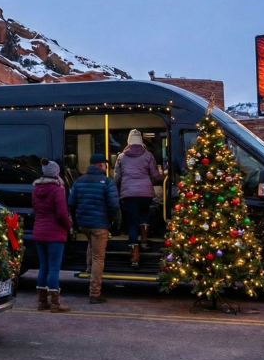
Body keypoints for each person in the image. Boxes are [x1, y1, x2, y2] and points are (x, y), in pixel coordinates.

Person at [68, 153, 121, 304]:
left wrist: (77, 221)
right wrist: (116, 222)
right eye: (104, 164)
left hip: (84, 223)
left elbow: (71, 203)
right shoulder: (107, 182)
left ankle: (88, 269)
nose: (105, 166)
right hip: (99, 224)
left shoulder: (79, 180)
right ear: (100, 165)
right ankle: (95, 293)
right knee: (99, 257)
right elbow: (114, 206)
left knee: (91, 242)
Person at [114, 129, 164, 268]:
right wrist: (166, 176)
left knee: (132, 223)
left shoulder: (121, 157)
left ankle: (135, 257)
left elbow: (117, 177)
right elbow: (155, 175)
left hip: (128, 193)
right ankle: (144, 241)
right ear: (141, 141)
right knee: (144, 215)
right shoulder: (148, 155)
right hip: (145, 192)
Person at [31, 158, 71, 313]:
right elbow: (62, 213)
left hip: (39, 231)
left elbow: (35, 209)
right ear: (56, 173)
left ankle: (42, 302)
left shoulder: (36, 189)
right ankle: (55, 304)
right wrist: (68, 227)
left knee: (43, 267)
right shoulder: (57, 190)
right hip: (54, 233)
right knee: (54, 268)